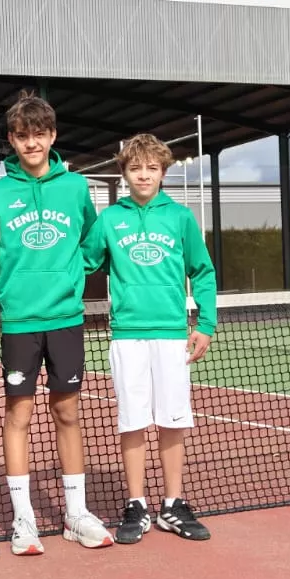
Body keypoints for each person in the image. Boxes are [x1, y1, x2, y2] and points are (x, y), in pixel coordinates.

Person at [0, 92, 112, 554]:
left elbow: (93, 238)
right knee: (19, 414)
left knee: (68, 412)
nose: (32, 143)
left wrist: (75, 274)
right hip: (19, 322)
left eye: (39, 135)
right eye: (23, 136)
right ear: (12, 140)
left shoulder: (74, 188)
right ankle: (24, 519)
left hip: (66, 318)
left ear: (52, 136)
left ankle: (75, 514)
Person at [87, 133, 216, 544]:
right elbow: (83, 263)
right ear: (124, 173)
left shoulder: (179, 219)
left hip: (171, 336)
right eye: (135, 167)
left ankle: (173, 505)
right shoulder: (108, 220)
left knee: (173, 420)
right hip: (127, 336)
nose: (144, 175)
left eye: (152, 168)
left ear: (163, 172)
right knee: (133, 420)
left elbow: (204, 272)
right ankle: (137, 504)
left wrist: (206, 324)